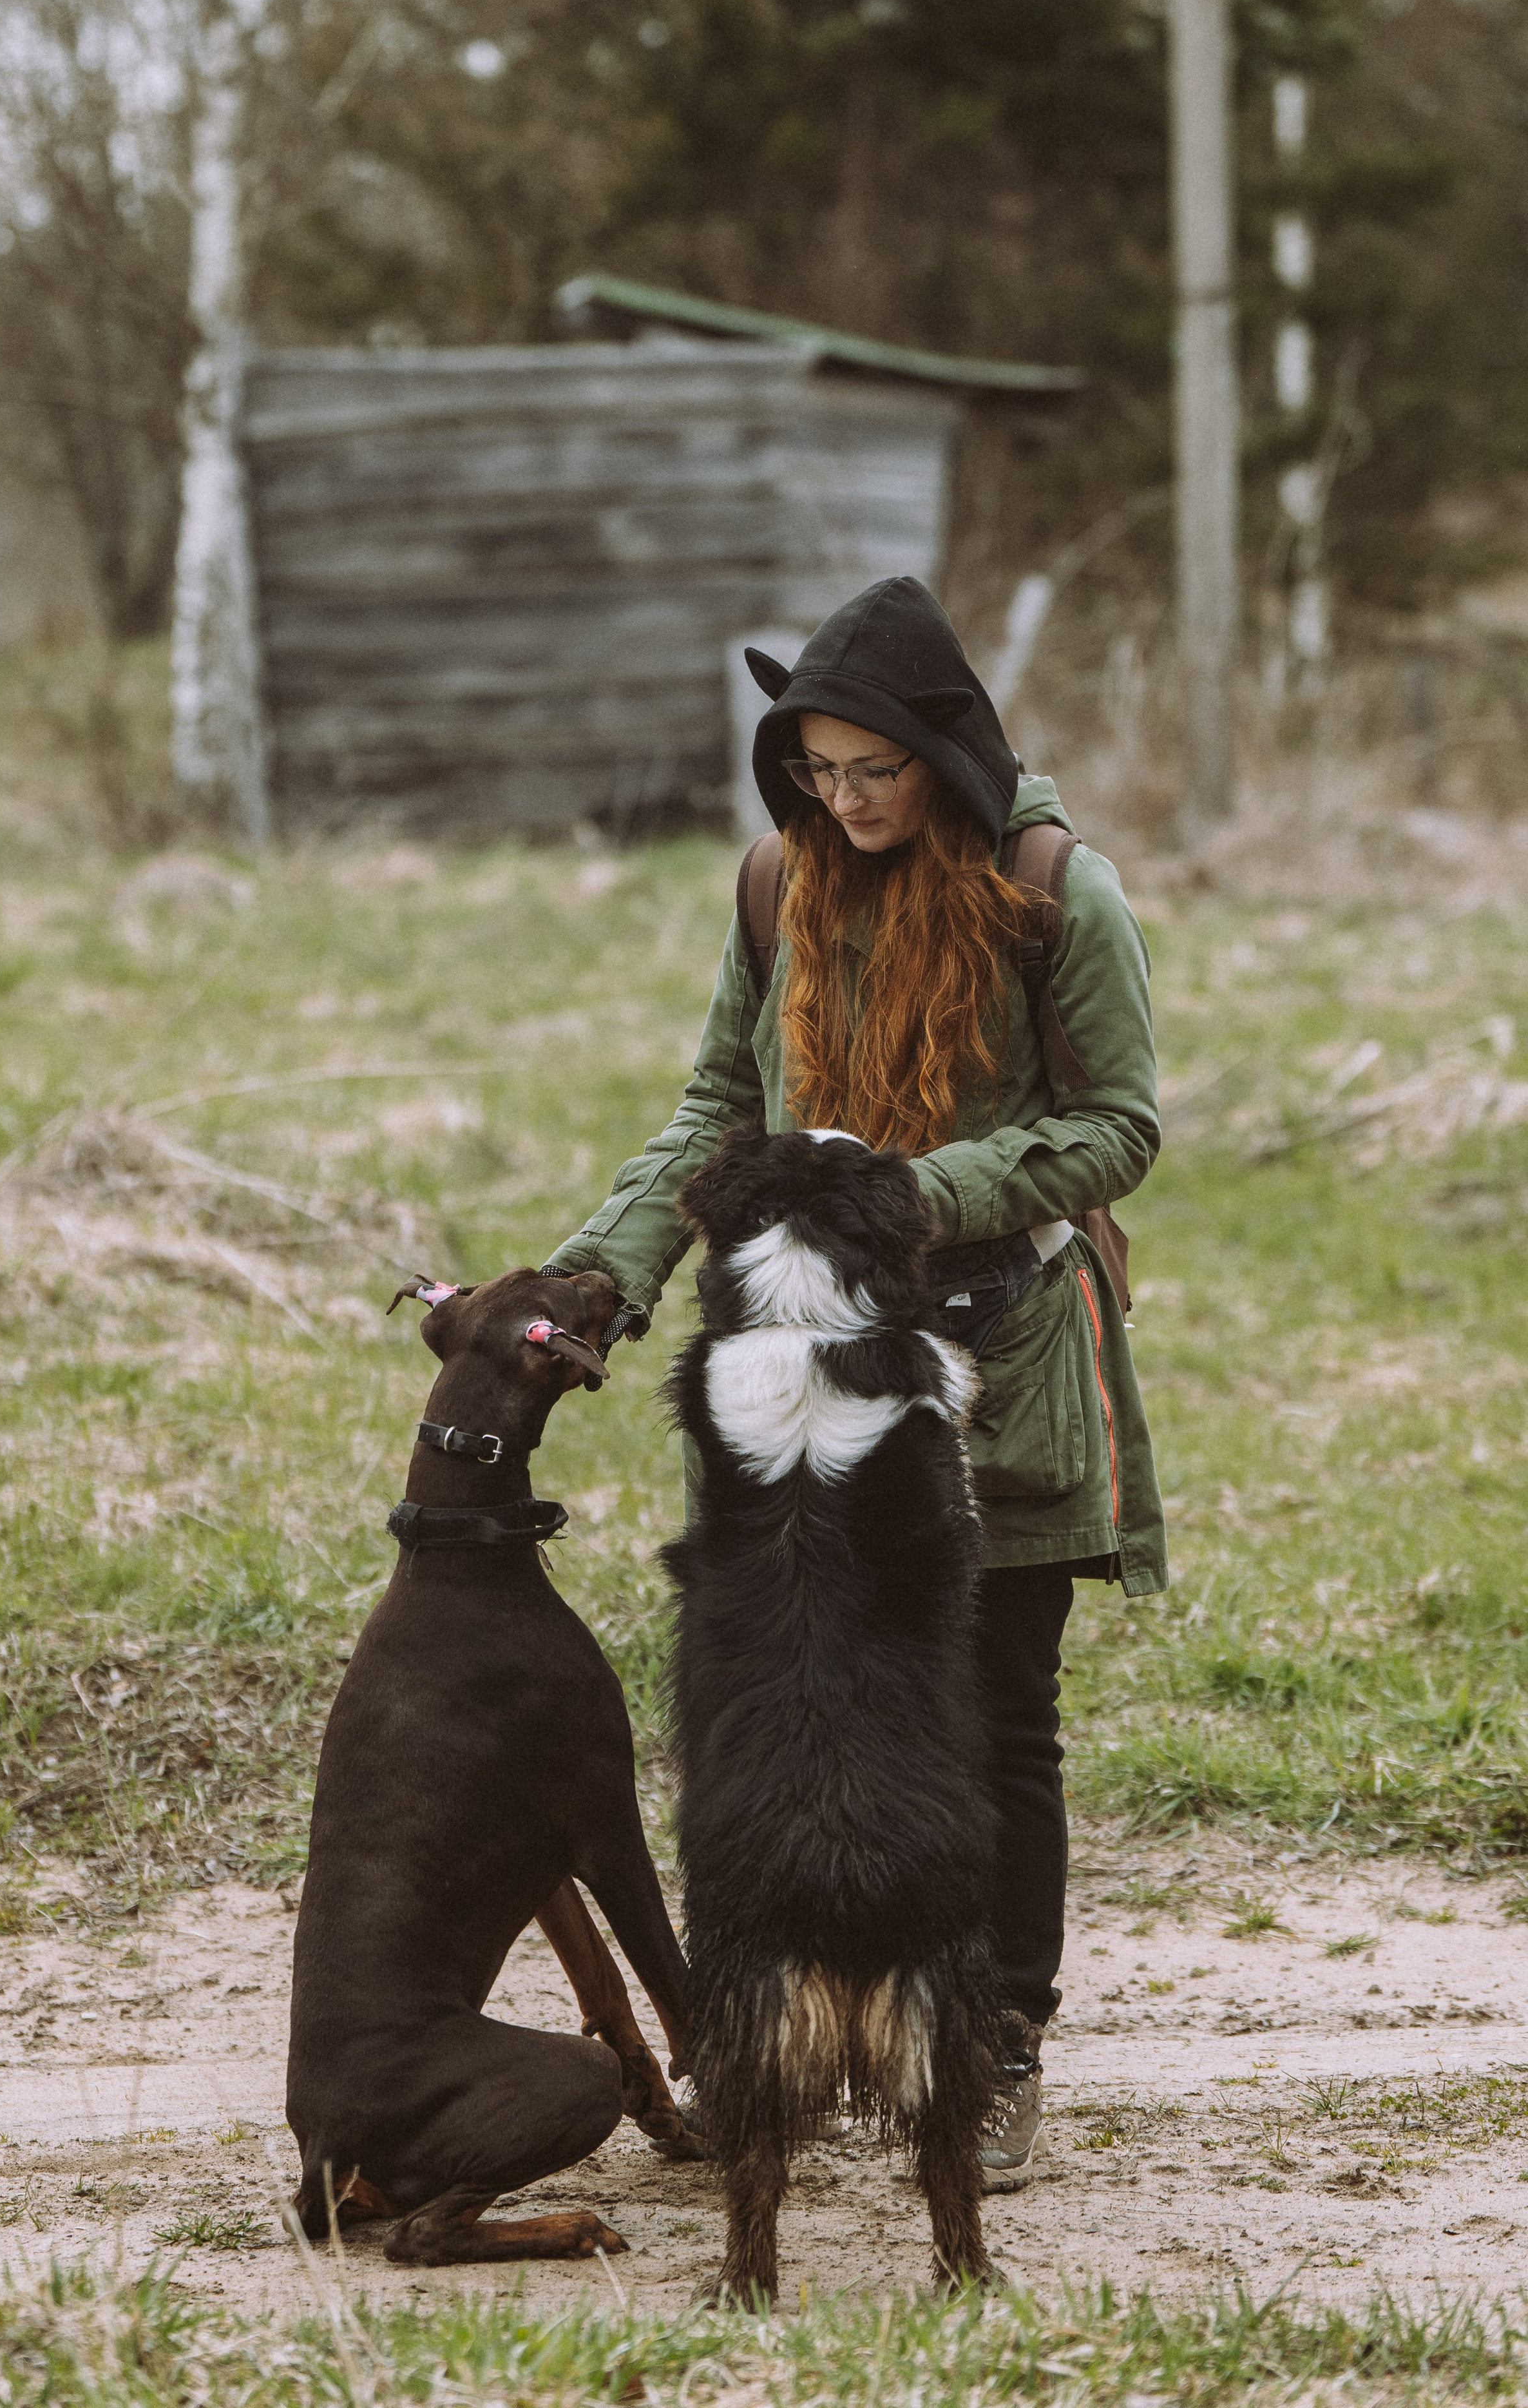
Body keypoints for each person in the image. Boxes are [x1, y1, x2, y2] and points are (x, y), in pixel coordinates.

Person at [542, 574, 1166, 2191]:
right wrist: (599, 1276)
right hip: (786, 1382)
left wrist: (918, 1188)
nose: (844, 800)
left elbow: (1120, 1127)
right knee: (798, 1703)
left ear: (940, 750)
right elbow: (710, 1111)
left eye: (871, 770)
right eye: (814, 771)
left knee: (993, 1715)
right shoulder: (776, 889)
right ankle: (790, 2040)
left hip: (994, 1359)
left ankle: (997, 2042)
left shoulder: (1052, 889)